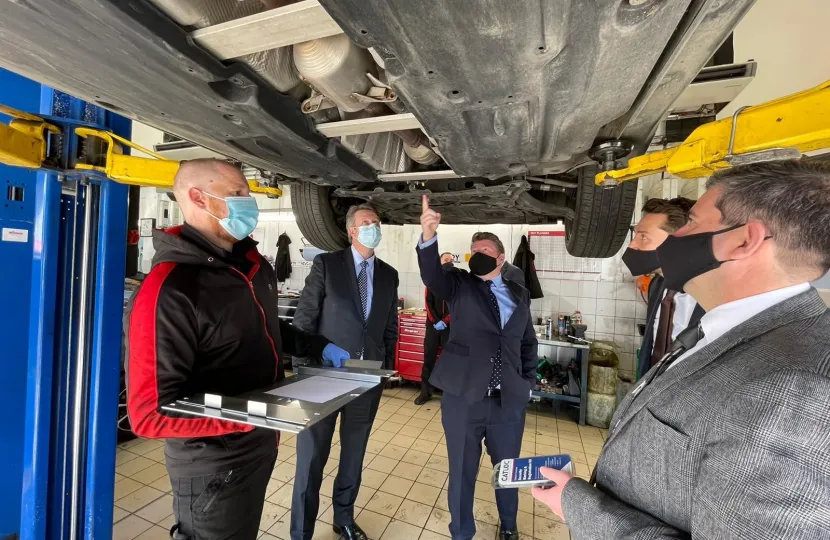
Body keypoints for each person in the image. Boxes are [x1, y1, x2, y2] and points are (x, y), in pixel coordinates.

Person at [532, 160, 830, 539]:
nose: (676, 237)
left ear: (743, 240)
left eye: (690, 222)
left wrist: (576, 505)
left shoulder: (802, 395)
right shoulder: (731, 332)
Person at [125, 159, 346, 540]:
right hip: (213, 464)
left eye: (248, 191)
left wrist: (317, 345)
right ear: (198, 198)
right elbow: (150, 415)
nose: (250, 202)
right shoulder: (170, 289)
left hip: (260, 444)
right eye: (238, 194)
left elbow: (263, 328)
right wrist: (252, 415)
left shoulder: (252, 264)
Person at [418, 196, 538, 540]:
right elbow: (432, 276)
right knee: (462, 471)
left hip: (508, 401)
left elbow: (527, 342)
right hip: (464, 398)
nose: (476, 254)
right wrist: (429, 235)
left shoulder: (520, 294)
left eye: (483, 249)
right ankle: (462, 533)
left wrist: (527, 382)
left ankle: (510, 527)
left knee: (508, 470)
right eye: (473, 249)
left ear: (500, 257)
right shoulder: (459, 284)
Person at [290, 203, 399, 540]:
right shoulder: (327, 264)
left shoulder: (388, 274)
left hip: (366, 378)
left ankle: (344, 518)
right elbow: (304, 319)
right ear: (352, 230)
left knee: (354, 454)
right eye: (367, 223)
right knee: (311, 460)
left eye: (377, 222)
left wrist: (387, 367)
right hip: (321, 377)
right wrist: (301, 372)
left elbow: (389, 328)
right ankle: (301, 532)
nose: (374, 227)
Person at [621, 197, 704, 378]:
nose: (632, 244)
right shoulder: (657, 286)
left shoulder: (715, 297)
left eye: (643, 236)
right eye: (635, 235)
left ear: (679, 241)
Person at [415, 251, 454, 405]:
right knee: (428, 361)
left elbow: (456, 305)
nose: (449, 262)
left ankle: (448, 395)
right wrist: (436, 321)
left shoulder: (455, 282)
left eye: (451, 260)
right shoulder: (431, 281)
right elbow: (428, 303)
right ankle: (425, 392)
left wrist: (446, 321)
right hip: (432, 327)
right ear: (439, 262)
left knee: (448, 362)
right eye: (446, 259)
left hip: (449, 328)